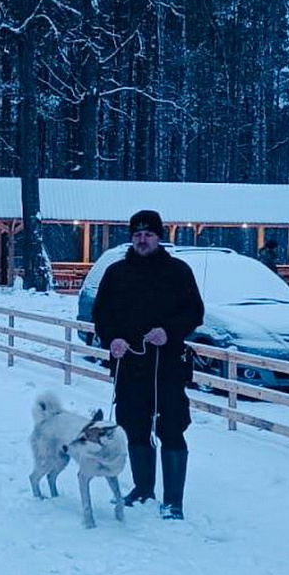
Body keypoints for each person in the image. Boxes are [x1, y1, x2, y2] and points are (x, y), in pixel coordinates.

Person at [92, 209, 204, 520]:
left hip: (168, 366)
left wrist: (169, 331)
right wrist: (111, 339)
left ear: (159, 237)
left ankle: (173, 501)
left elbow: (195, 312)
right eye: (137, 234)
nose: (142, 239)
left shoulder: (178, 271)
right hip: (129, 365)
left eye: (149, 234)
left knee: (172, 428)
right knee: (134, 427)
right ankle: (143, 489)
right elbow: (101, 314)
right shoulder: (116, 272)